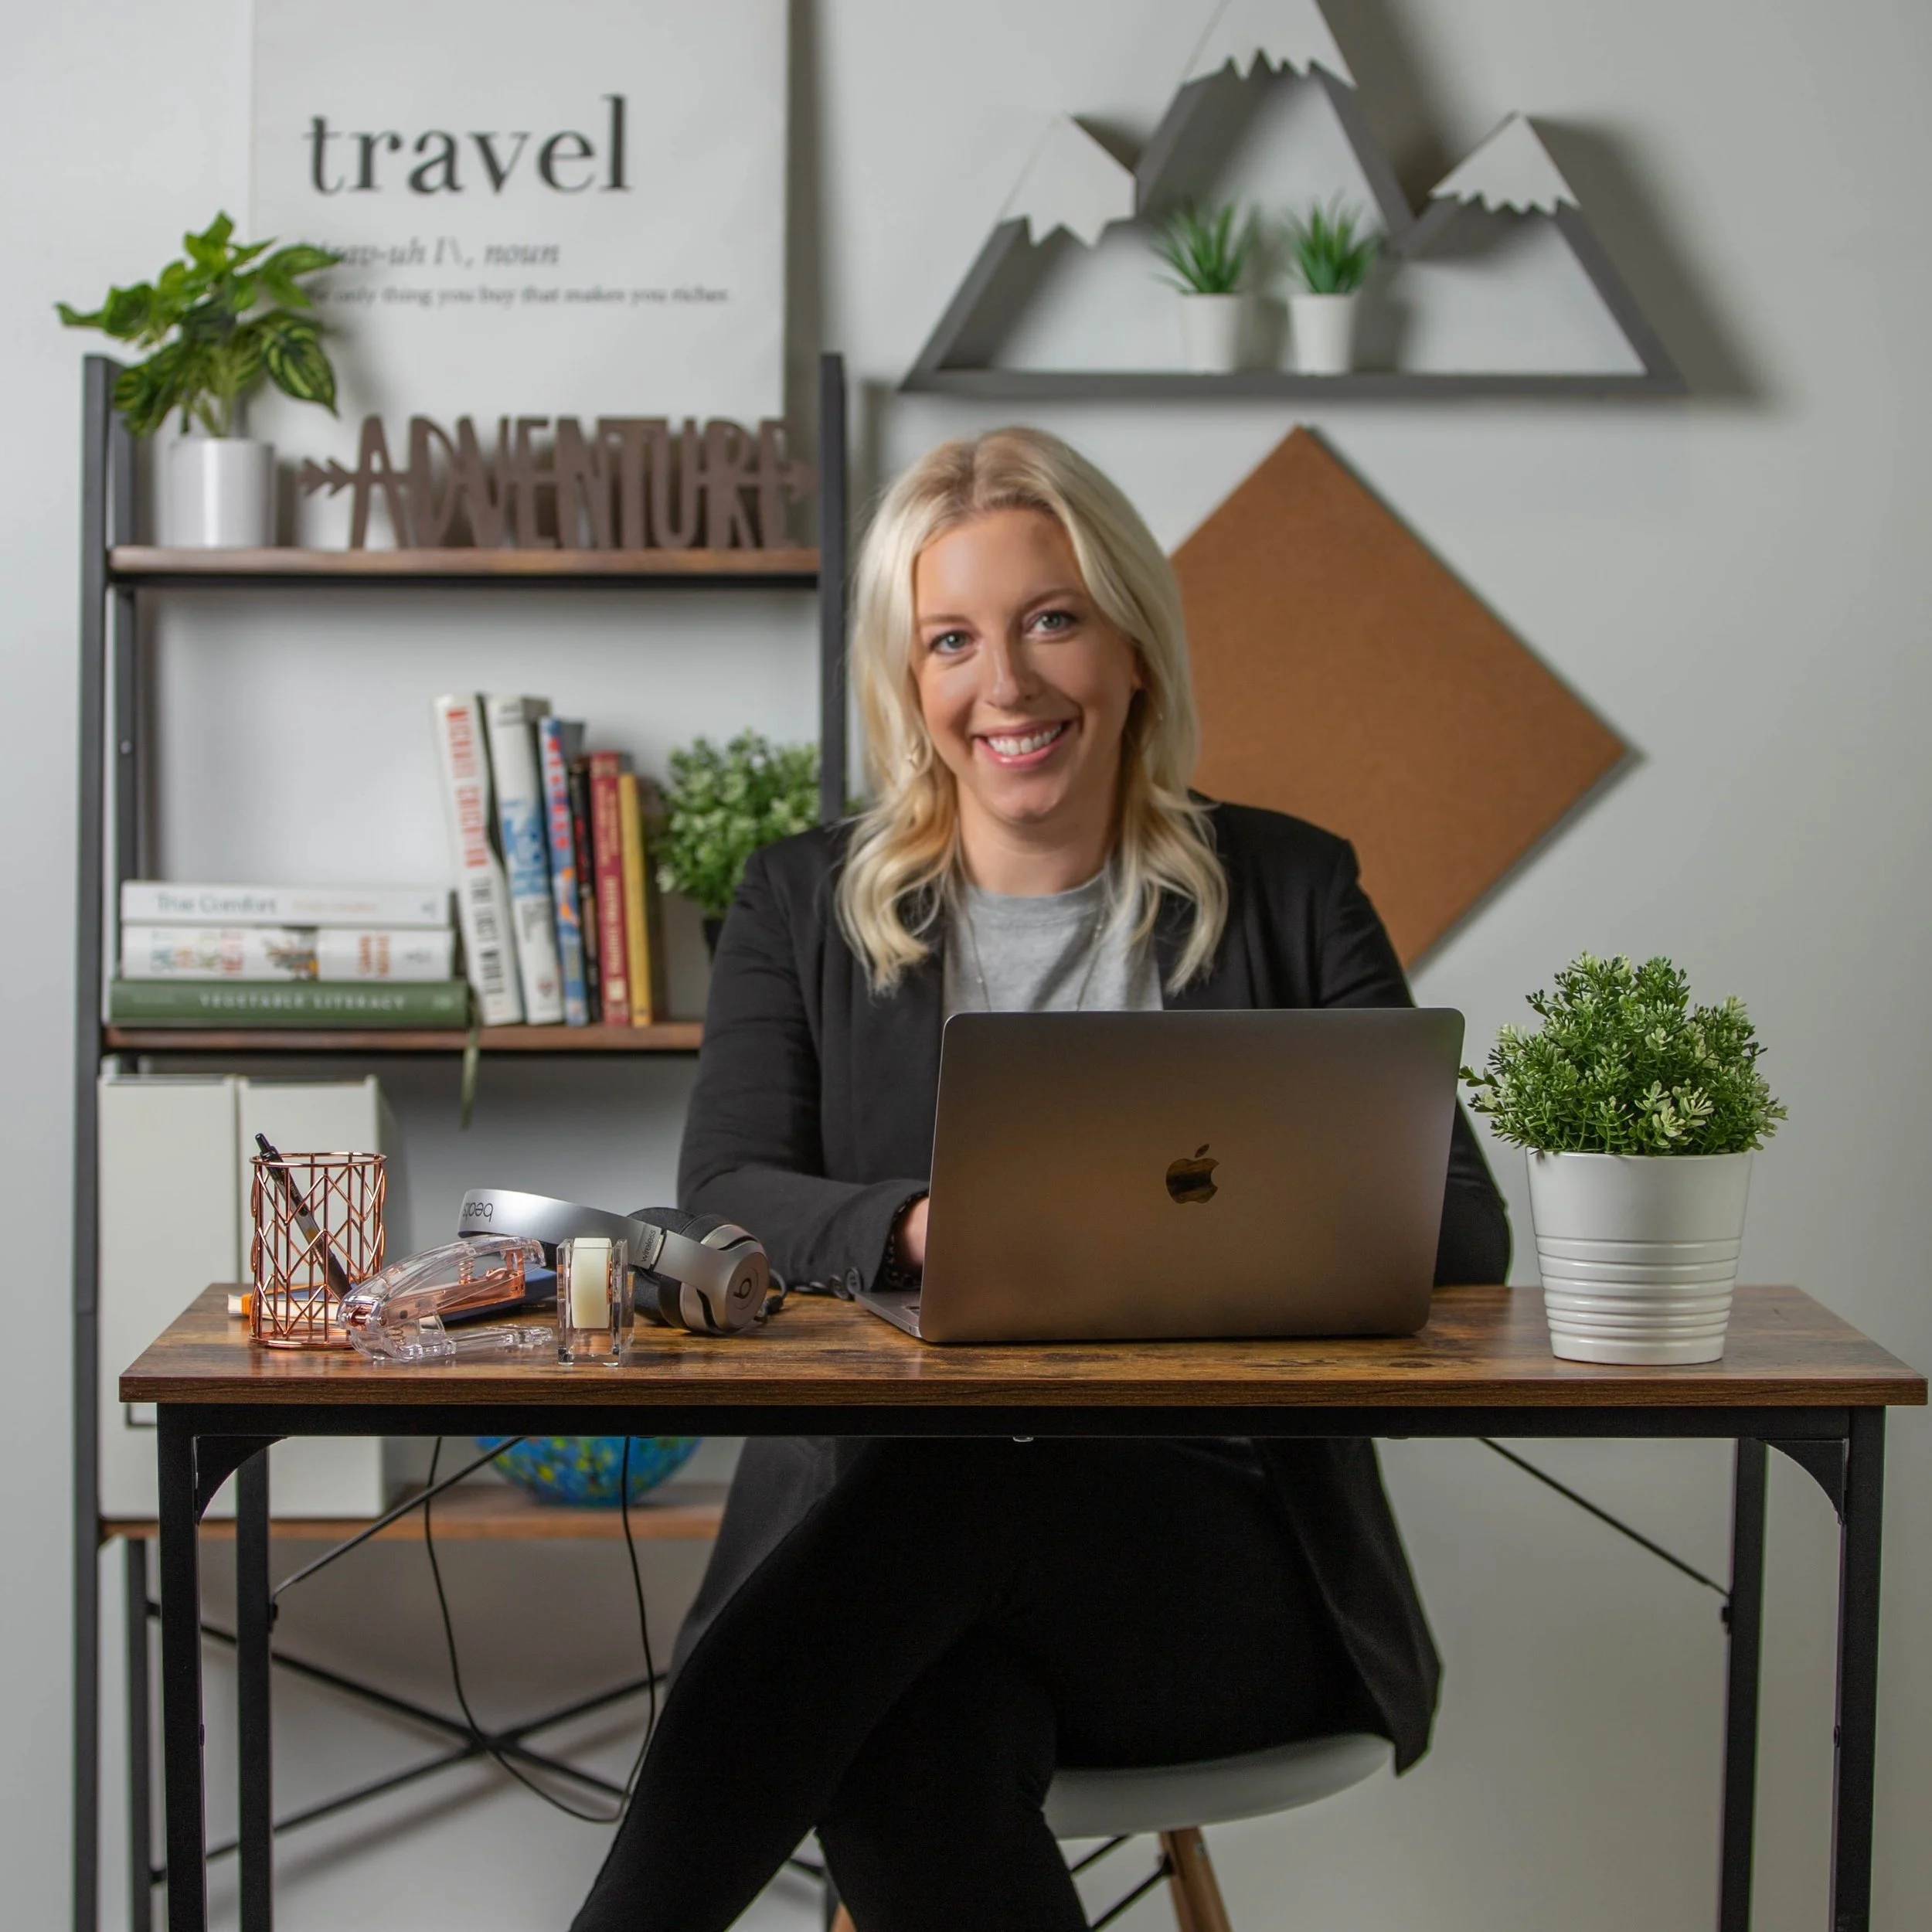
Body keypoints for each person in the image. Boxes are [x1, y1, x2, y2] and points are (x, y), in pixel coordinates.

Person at [571, 428, 1509, 1932]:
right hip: (882, 1582)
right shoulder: (800, 903)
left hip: (1219, 1573)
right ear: (909, 683)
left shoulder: (1289, 888)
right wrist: (919, 1225)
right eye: (951, 639)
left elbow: (1458, 1226)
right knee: (907, 1743)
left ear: (1131, 645)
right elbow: (718, 1196)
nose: (1002, 683)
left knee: (950, 1492)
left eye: (1050, 620)